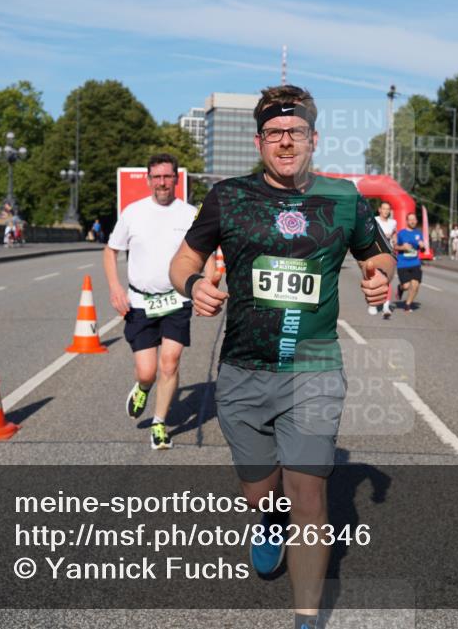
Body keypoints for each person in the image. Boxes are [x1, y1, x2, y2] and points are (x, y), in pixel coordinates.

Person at [169, 85, 395, 629]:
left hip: (314, 369)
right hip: (244, 371)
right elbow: (183, 261)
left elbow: (381, 253)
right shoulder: (228, 196)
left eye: (295, 132)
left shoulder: (343, 199)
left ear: (313, 139)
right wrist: (194, 284)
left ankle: (306, 618)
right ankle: (267, 519)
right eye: (275, 133)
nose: (286, 141)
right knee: (260, 491)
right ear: (260, 141)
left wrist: (381, 275)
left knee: (309, 495)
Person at [105, 153, 209, 451]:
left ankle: (159, 423)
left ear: (176, 179)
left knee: (170, 362)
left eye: (167, 176)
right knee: (147, 371)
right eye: (157, 177)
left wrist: (207, 285)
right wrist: (115, 288)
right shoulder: (133, 213)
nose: (162, 182)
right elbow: (111, 250)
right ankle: (143, 387)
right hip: (140, 302)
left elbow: (208, 252)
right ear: (149, 180)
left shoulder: (189, 214)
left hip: (177, 300)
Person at [368, 200, 396, 318]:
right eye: (384, 208)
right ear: (379, 210)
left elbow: (394, 235)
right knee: (374, 278)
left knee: (387, 279)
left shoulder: (393, 222)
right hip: (375, 253)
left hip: (388, 254)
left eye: (388, 209)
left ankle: (386, 305)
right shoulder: (374, 220)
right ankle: (373, 304)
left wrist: (393, 239)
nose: (386, 211)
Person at [395, 212, 426, 313]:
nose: (412, 221)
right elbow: (394, 247)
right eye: (410, 219)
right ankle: (400, 288)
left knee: (415, 285)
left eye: (414, 219)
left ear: (416, 221)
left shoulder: (418, 233)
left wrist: (422, 246)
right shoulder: (401, 233)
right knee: (406, 286)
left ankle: (408, 304)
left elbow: (422, 250)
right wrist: (402, 247)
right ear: (407, 221)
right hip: (403, 263)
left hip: (415, 263)